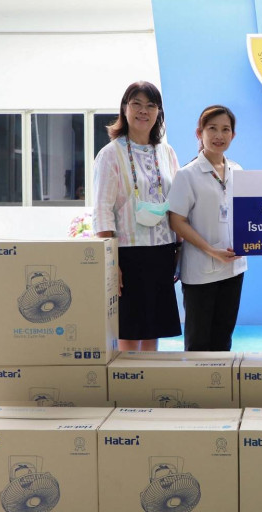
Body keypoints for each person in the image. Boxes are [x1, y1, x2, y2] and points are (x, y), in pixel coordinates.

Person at [93, 81, 182, 351]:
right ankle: (128, 377)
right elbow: (102, 209)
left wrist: (179, 248)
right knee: (130, 328)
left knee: (154, 327)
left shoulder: (166, 152)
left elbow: (178, 202)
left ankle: (150, 378)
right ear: (125, 108)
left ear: (158, 112)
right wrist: (112, 262)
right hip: (128, 254)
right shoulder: (110, 154)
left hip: (162, 250)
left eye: (151, 105)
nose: (144, 111)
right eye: (137, 104)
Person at [169, 105, 247, 351]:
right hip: (200, 270)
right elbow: (176, 221)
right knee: (199, 342)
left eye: (225, 129)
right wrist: (211, 251)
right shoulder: (187, 174)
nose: (219, 135)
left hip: (233, 268)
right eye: (212, 128)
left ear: (233, 135)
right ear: (199, 133)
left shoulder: (238, 171)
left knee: (223, 339)